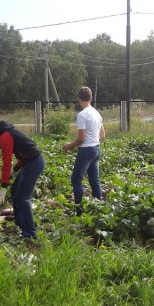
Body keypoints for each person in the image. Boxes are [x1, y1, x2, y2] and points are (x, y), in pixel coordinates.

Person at [0, 120, 45, 241]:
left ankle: (30, 233)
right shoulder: (8, 132)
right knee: (15, 190)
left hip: (34, 164)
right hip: (30, 162)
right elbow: (24, 152)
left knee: (22, 197)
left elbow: (6, 162)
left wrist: (3, 188)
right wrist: (15, 170)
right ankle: (20, 224)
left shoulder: (4, 136)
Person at [62, 86, 104, 215]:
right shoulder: (97, 113)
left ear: (79, 99)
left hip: (86, 150)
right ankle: (98, 209)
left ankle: (79, 212)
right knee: (94, 181)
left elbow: (81, 138)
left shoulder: (82, 115)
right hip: (96, 149)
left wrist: (69, 146)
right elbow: (102, 136)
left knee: (76, 179)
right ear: (91, 98)